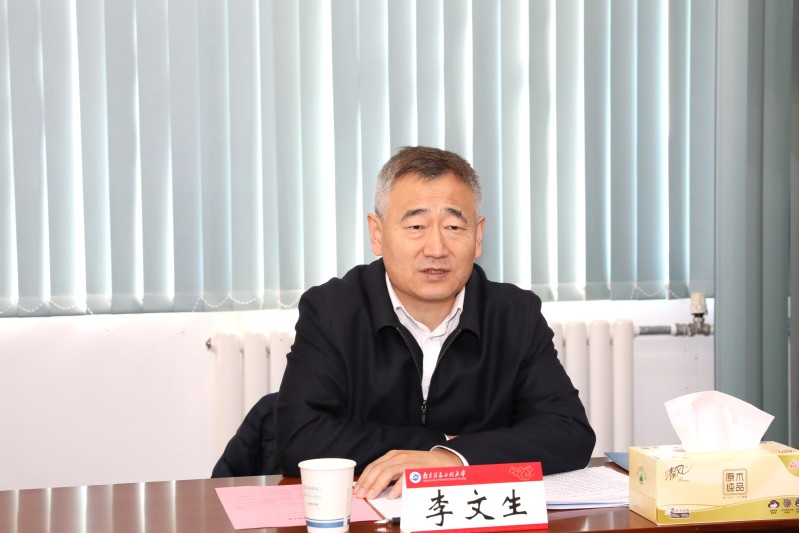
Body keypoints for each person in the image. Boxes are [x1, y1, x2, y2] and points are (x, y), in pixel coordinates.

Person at [275, 146, 595, 500]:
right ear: (377, 233)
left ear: (477, 236)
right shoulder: (333, 311)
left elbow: (569, 432)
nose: (436, 249)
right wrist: (437, 445)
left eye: (454, 226)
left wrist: (454, 458)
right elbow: (300, 438)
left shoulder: (514, 314)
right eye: (416, 226)